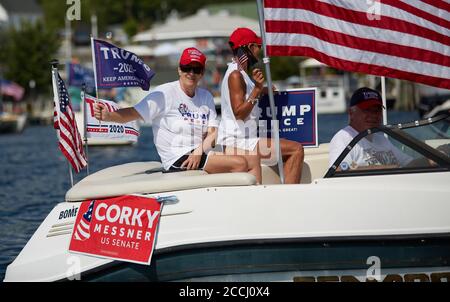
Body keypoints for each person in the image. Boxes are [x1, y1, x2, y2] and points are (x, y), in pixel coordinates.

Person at [94, 47, 248, 174]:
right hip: (178, 158)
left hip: (199, 153)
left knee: (250, 157)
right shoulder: (164, 93)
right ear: (179, 70)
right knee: (240, 164)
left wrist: (198, 151)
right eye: (187, 68)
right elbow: (132, 114)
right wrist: (108, 116)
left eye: (196, 69)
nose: (191, 73)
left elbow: (213, 133)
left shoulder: (206, 96)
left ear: (201, 73)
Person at [217, 27, 304, 184]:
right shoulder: (236, 75)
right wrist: (257, 90)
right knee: (296, 149)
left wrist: (263, 90)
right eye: (258, 47)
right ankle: (291, 199)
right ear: (250, 47)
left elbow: (243, 97)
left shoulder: (239, 73)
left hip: (242, 140)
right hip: (237, 143)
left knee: (287, 149)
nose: (259, 51)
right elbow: (239, 114)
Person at [329, 87, 412, 170]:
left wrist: (425, 160)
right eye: (367, 110)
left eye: (377, 111)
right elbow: (340, 169)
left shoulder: (382, 139)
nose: (373, 115)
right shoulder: (343, 138)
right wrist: (389, 168)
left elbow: (409, 163)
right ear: (351, 113)